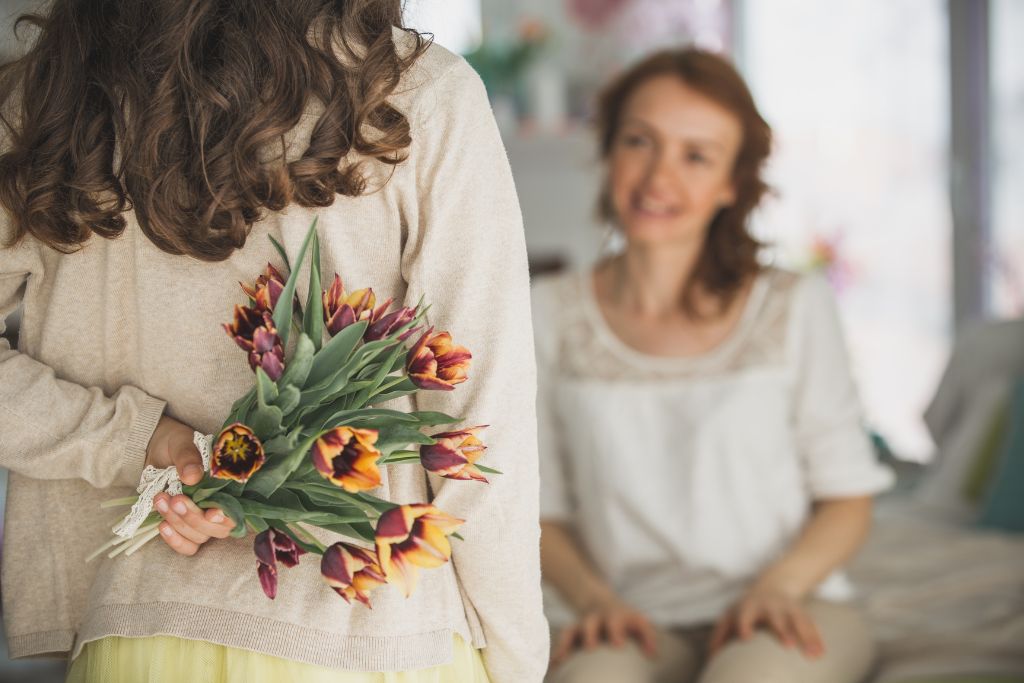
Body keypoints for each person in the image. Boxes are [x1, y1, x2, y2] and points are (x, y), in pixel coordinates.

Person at [0, 2, 547, 681]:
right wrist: (519, 656)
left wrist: (134, 439)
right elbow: (481, 425)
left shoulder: (51, 97)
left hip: (137, 632)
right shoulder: (411, 96)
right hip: (373, 636)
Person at [534, 48, 893, 683]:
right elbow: (539, 509)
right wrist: (593, 600)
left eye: (695, 155)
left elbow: (847, 496)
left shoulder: (792, 304)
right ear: (610, 150)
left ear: (733, 182)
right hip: (625, 616)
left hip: (790, 607)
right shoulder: (544, 313)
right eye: (640, 142)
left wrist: (780, 587)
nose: (658, 178)